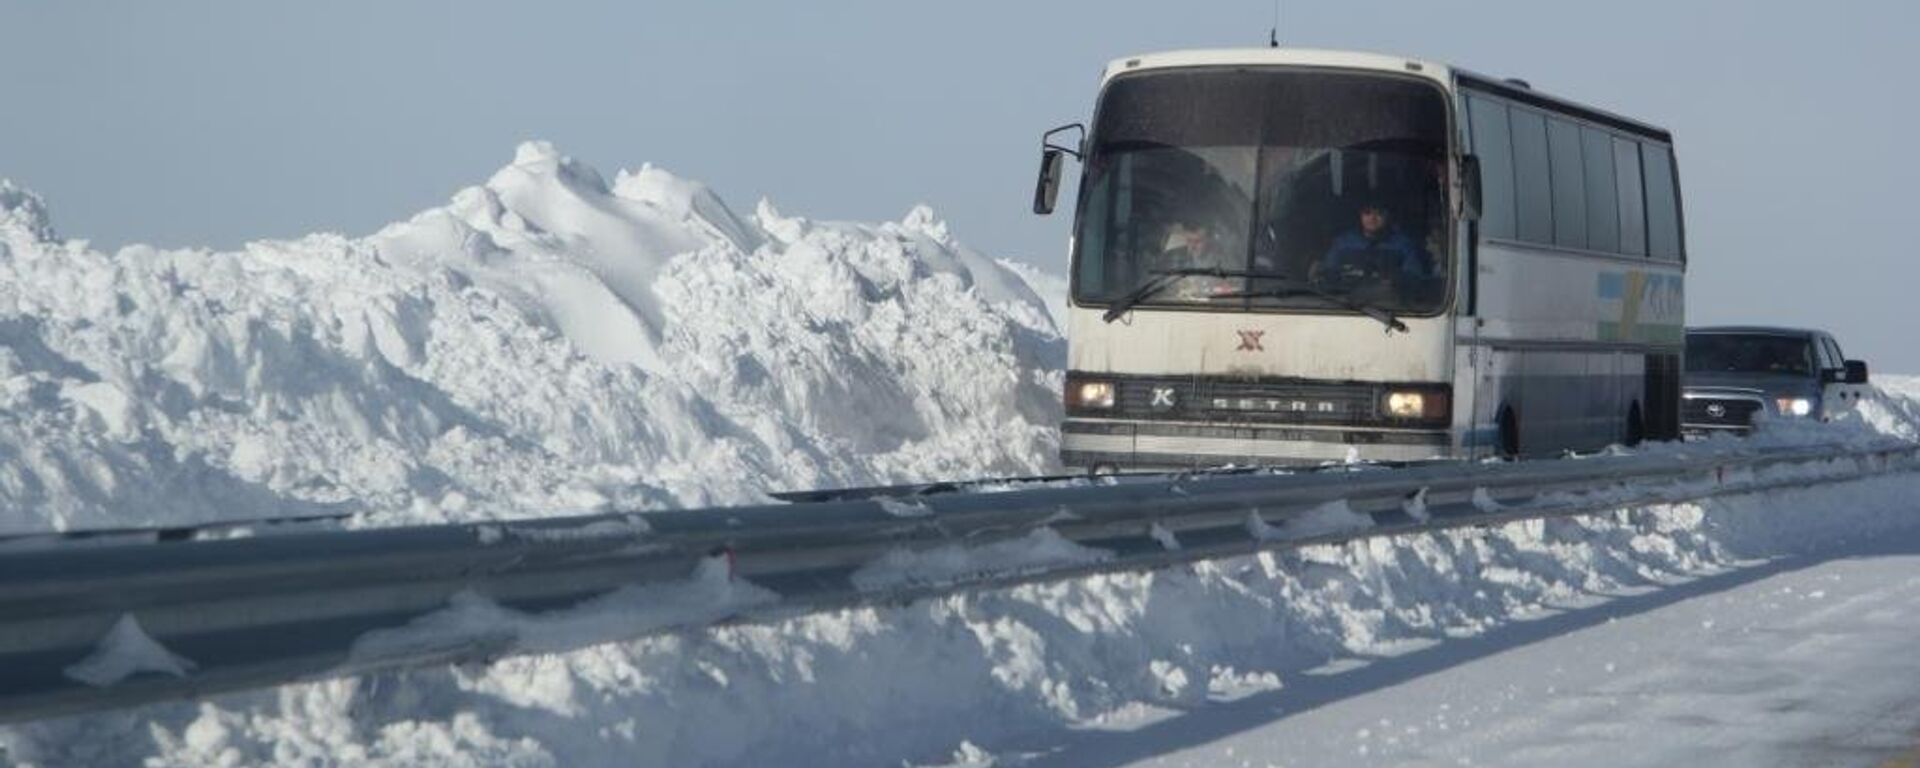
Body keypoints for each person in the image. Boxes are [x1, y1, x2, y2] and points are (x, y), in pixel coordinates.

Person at [1313, 202, 1434, 287]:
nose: (1372, 218)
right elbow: (1329, 272)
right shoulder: (1343, 242)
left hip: (1392, 304)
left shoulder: (1403, 245)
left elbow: (1414, 277)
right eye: (1367, 213)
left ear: (1388, 216)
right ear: (1360, 216)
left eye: (1379, 213)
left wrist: (1395, 280)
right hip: (1346, 303)